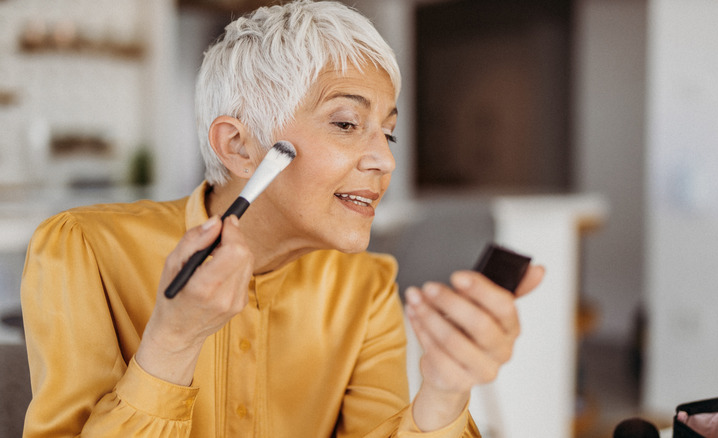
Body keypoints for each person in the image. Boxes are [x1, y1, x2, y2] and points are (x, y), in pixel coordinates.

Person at [20, 1, 544, 437]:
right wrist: (172, 343)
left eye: (387, 132)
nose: (384, 160)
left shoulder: (367, 289)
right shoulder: (83, 248)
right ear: (239, 145)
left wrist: (444, 390)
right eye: (346, 122)